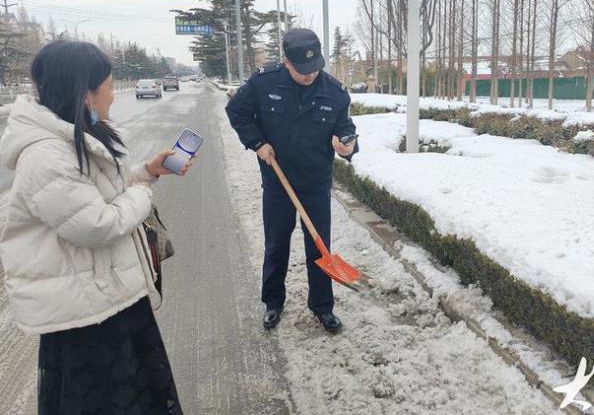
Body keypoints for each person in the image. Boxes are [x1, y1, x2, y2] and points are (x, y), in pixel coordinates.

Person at [0, 41, 193, 414]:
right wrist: (142, 194)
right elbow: (97, 223)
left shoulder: (79, 133)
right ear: (84, 92)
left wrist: (148, 172)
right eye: (108, 84)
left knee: (138, 395)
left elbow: (102, 193)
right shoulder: (45, 155)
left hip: (110, 296)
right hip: (84, 317)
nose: (112, 93)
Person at [226, 28, 358, 334]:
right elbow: (237, 111)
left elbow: (346, 128)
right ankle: (273, 302)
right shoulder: (264, 83)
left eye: (315, 68)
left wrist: (347, 145)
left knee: (319, 246)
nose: (310, 75)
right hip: (278, 182)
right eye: (302, 70)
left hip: (315, 183)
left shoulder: (335, 93)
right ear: (286, 61)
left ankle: (322, 307)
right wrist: (257, 143)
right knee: (276, 244)